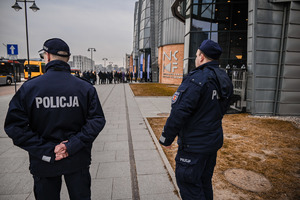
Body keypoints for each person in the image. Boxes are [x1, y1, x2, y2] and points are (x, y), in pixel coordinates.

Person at [4, 38, 106, 200]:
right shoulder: (85, 87)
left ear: (48, 57)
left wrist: (46, 150)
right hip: (77, 157)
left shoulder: (30, 88)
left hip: (43, 160)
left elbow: (15, 127)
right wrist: (71, 146)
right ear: (67, 59)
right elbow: (97, 120)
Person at [159, 39, 233, 200]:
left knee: (190, 185)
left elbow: (179, 111)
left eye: (197, 54)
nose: (195, 57)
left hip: (194, 146)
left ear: (201, 57)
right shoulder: (223, 78)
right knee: (203, 182)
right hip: (211, 143)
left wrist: (166, 138)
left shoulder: (196, 79)